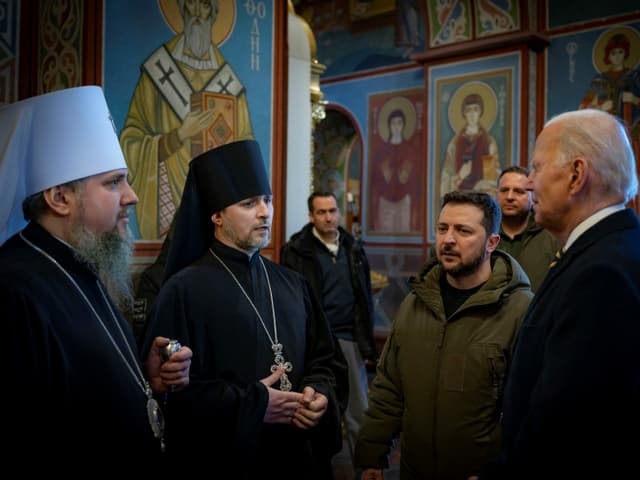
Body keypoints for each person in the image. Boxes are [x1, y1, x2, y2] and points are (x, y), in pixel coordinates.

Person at [0, 86, 192, 467]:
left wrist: (144, 380)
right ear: (59, 198)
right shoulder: (13, 288)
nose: (132, 196)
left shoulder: (83, 260)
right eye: (113, 182)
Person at [141, 140, 347, 477]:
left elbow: (325, 360)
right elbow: (173, 393)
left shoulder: (293, 284)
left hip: (298, 457)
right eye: (249, 203)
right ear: (217, 215)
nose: (265, 212)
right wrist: (254, 404)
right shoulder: (182, 291)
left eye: (268, 201)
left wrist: (318, 394)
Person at [476, 109, 640, 479]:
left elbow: (567, 426)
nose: (530, 183)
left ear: (576, 175)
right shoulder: (608, 248)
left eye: (536, 168)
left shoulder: (602, 273)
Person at [355, 190, 533, 480]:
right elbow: (389, 387)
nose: (448, 239)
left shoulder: (519, 310)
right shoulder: (416, 303)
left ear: (492, 243)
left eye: (463, 231)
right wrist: (371, 455)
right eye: (442, 229)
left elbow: (528, 410)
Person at [120, 0, 254, 240]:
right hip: (169, 199)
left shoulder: (229, 84)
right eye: (190, 4)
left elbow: (246, 155)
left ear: (214, 14)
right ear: (181, 10)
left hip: (217, 202)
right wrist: (178, 136)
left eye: (203, 5)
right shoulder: (158, 70)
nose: (196, 14)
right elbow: (130, 140)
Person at [280, 191, 378, 465]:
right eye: (321, 212)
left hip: (349, 337)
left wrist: (366, 342)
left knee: (360, 413)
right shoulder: (297, 250)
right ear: (311, 216)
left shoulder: (353, 247)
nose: (329, 217)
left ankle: (366, 469)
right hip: (316, 342)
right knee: (314, 411)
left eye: (333, 211)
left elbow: (365, 298)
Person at [495, 166, 562, 292]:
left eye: (519, 191)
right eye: (504, 190)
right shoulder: (485, 235)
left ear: (533, 196)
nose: (509, 197)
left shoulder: (552, 236)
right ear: (496, 194)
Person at [368, 108, 421, 233]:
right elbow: (375, 179)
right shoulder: (381, 150)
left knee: (404, 229)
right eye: (393, 123)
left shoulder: (410, 150)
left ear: (404, 125)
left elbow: (415, 180)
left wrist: (406, 174)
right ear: (389, 126)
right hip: (385, 200)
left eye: (399, 123)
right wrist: (385, 173)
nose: (396, 127)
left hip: (404, 201)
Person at [441, 93, 500, 198]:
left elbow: (493, 177)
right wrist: (459, 176)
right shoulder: (455, 144)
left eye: (475, 109)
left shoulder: (488, 142)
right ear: (464, 114)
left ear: (480, 112)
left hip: (481, 201)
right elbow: (445, 180)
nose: (472, 114)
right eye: (468, 110)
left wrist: (482, 184)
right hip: (459, 201)